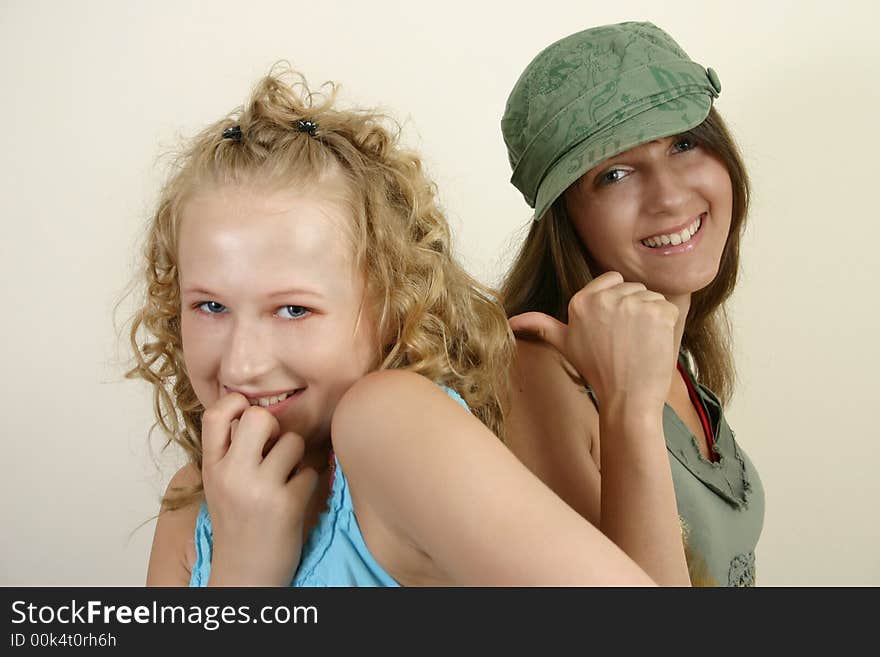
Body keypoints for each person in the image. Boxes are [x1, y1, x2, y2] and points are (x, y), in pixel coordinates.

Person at [131, 65, 660, 586]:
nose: (242, 362)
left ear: (393, 305)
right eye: (210, 307)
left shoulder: (387, 425)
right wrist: (242, 569)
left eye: (294, 310)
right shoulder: (192, 506)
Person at [499, 22, 765, 586]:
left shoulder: (674, 357)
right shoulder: (537, 377)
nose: (669, 196)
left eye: (683, 143)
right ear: (565, 220)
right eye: (614, 174)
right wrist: (629, 411)